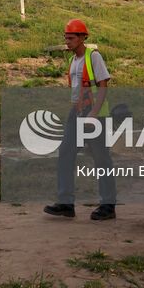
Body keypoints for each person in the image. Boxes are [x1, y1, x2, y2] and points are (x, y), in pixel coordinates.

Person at [44, 19, 117, 220]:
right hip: (77, 112)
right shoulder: (72, 61)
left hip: (95, 114)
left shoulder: (93, 57)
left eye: (72, 37)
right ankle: (66, 203)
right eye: (66, 38)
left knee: (101, 157)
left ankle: (108, 205)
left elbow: (103, 86)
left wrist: (94, 112)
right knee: (66, 152)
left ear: (83, 37)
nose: (68, 41)